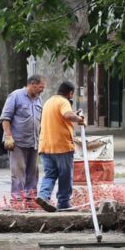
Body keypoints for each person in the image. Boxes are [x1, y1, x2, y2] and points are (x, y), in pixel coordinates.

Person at [35, 81, 85, 212]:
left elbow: (60, 117)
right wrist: (80, 119)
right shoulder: (64, 102)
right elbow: (67, 115)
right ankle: (63, 202)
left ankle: (43, 196)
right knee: (65, 175)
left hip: (45, 146)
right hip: (61, 146)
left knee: (50, 174)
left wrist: (74, 113)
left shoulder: (49, 102)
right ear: (70, 93)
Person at [0, 74, 46, 205]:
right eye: (41, 87)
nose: (42, 90)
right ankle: (17, 198)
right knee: (18, 170)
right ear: (32, 83)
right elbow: (5, 118)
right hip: (17, 141)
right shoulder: (16, 96)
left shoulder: (39, 99)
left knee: (33, 171)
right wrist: (8, 136)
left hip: (33, 140)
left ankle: (31, 197)